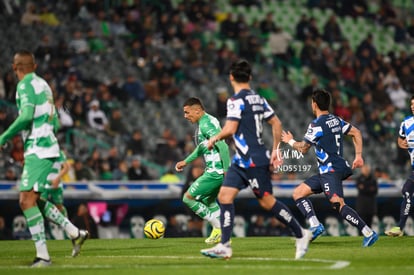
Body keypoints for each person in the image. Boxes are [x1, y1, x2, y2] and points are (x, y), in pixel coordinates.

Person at [200, 59, 311, 260]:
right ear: (250, 77)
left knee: (267, 202)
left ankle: (301, 234)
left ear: (231, 77)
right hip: (242, 160)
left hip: (252, 160)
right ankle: (224, 245)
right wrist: (276, 149)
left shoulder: (235, 101)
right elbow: (276, 123)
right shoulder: (259, 99)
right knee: (225, 196)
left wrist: (214, 138)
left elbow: (231, 129)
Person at [0, 50, 88, 267]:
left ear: (15, 68)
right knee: (34, 199)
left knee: (25, 200)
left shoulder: (24, 85)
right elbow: (56, 122)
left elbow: (27, 116)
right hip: (47, 145)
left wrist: (3, 136)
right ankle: (74, 232)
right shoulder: (44, 85)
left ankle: (43, 256)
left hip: (38, 148)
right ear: (35, 66)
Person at [281, 88, 378, 247]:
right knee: (298, 193)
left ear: (314, 104)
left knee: (338, 204)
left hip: (330, 170)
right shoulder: (336, 120)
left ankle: (368, 232)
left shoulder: (316, 124)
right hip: (329, 170)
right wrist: (358, 155)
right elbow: (357, 132)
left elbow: (304, 148)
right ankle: (315, 225)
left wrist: (290, 141)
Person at [175, 97, 230, 245]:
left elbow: (223, 146)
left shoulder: (206, 125)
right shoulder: (206, 122)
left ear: (197, 110)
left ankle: (218, 226)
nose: (185, 116)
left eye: (187, 112)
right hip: (213, 171)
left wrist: (226, 170)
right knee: (208, 200)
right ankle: (222, 230)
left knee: (188, 198)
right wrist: (186, 162)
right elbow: (202, 147)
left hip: (215, 172)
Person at [385, 96, 414, 237]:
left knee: (407, 190)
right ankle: (400, 228)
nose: (413, 106)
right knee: (407, 191)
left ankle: (400, 227)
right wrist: (400, 143)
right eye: (412, 104)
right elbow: (400, 138)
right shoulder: (406, 123)